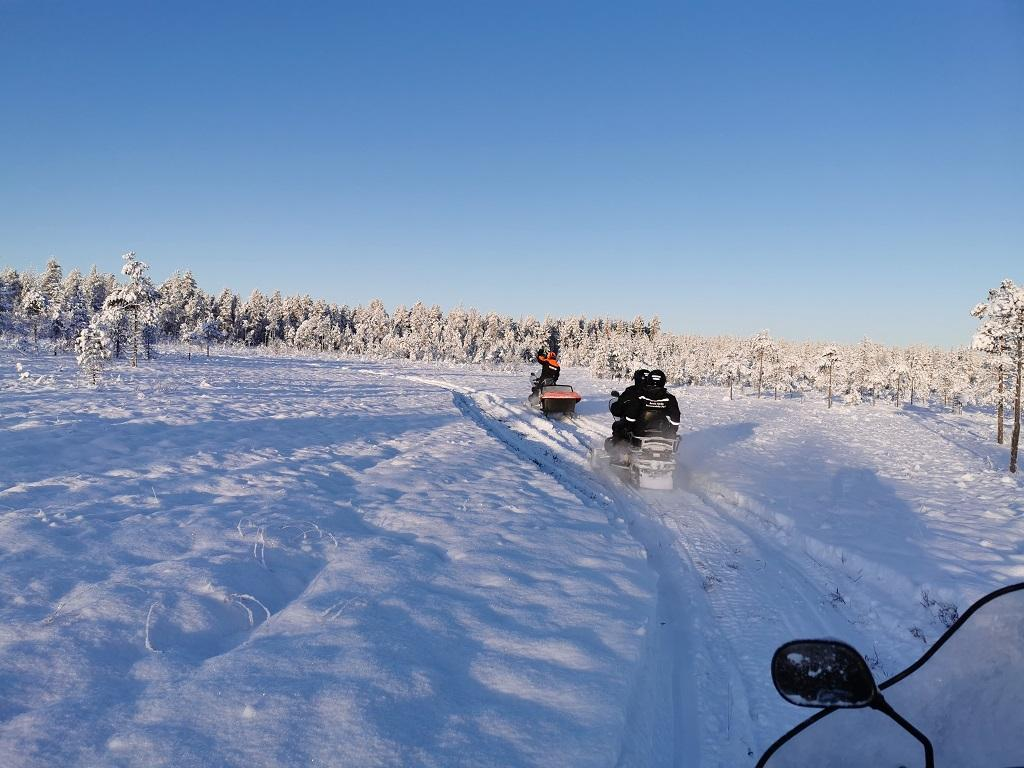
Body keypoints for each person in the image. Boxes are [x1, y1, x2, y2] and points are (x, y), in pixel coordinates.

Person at [623, 369, 681, 438]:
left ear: (649, 380)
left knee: (620, 427)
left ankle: (618, 444)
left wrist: (629, 428)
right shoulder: (670, 398)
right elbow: (675, 416)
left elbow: (632, 413)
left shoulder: (640, 396)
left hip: (640, 432)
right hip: (663, 432)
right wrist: (671, 432)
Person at [608, 369, 649, 445]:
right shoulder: (657, 393)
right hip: (654, 425)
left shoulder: (631, 391)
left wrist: (616, 407)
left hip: (634, 425)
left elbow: (618, 408)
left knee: (617, 426)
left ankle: (616, 449)